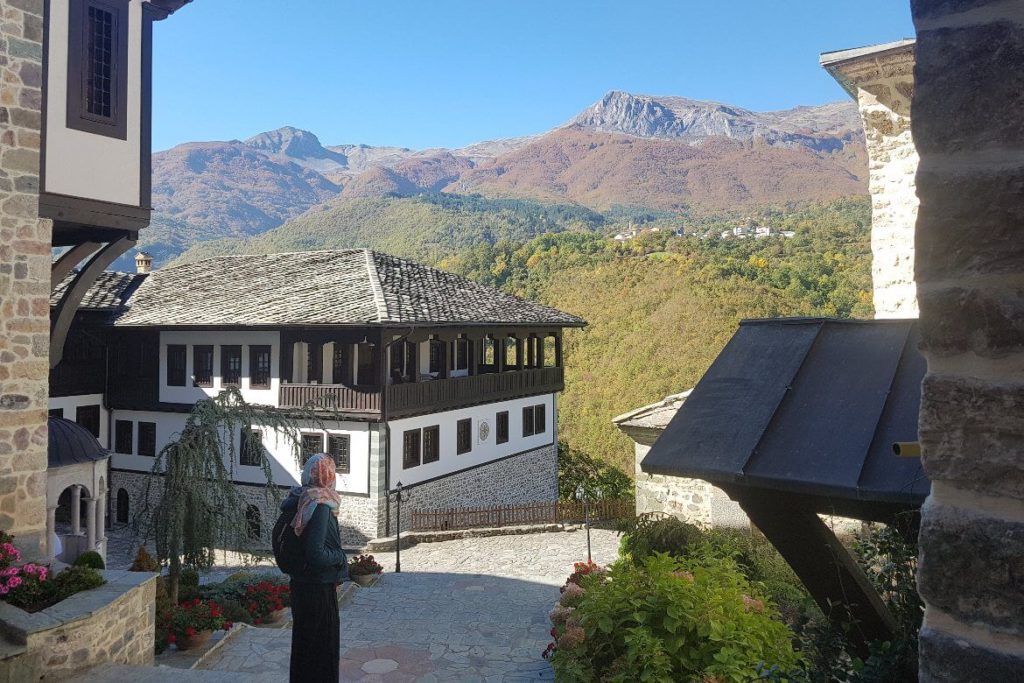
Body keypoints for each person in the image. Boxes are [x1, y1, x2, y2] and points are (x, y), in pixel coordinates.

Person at [281, 453, 346, 683]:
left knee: (304, 649)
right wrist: (339, 556)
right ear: (328, 477)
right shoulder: (320, 506)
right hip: (318, 588)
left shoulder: (299, 498)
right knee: (322, 653)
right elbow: (316, 553)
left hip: (300, 585)